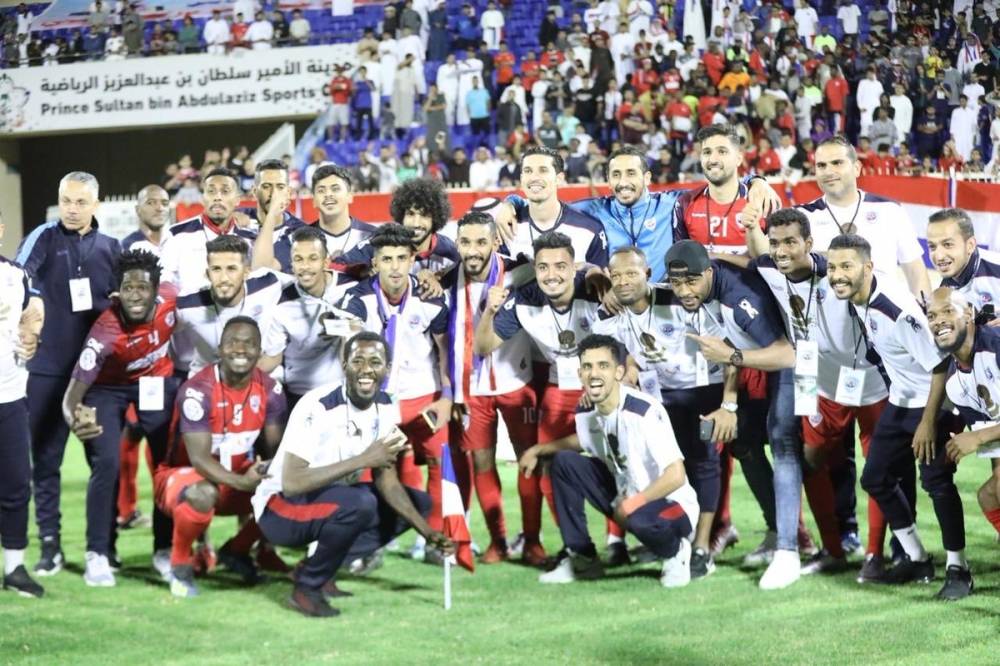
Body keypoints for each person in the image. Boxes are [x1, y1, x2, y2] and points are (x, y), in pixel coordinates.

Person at [254, 331, 454, 617]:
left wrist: (427, 531)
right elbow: (293, 482)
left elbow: (387, 480)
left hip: (330, 499)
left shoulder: (387, 404)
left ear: (387, 368)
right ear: (344, 365)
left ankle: (320, 567)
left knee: (418, 504)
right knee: (359, 504)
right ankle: (306, 588)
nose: (366, 369)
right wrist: (362, 460)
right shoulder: (317, 404)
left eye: (375, 362)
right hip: (279, 508)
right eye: (357, 361)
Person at [747, 209, 890, 581]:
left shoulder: (835, 271)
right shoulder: (767, 269)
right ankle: (833, 550)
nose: (782, 251)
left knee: (878, 466)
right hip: (811, 374)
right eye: (775, 243)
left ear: (809, 243)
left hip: (866, 377)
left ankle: (875, 553)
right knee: (809, 459)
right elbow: (743, 261)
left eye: (791, 242)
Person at [826, 234, 971, 600]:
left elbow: (940, 365)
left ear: (868, 268)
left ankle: (959, 570)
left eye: (846, 266)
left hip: (935, 403)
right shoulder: (858, 298)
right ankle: (916, 558)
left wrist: (928, 422)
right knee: (874, 477)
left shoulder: (895, 311)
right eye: (832, 267)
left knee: (937, 482)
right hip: (901, 400)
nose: (837, 275)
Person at [475, 231, 627, 563]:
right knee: (547, 465)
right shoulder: (525, 298)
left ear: (574, 267)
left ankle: (618, 541)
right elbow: (483, 347)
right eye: (543, 267)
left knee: (616, 461)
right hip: (559, 388)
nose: (551, 274)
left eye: (560, 266)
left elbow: (625, 344)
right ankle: (577, 546)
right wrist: (488, 311)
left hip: (604, 386)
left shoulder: (596, 289)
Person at [591, 247, 737, 578]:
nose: (623, 282)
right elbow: (615, 348)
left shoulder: (679, 300)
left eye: (631, 274)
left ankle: (702, 547)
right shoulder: (609, 312)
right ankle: (675, 539)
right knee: (659, 467)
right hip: (658, 398)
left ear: (647, 274)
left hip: (703, 391)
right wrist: (628, 364)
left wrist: (729, 404)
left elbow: (729, 350)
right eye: (617, 276)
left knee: (704, 463)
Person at [664, 240, 802, 590]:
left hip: (805, 359)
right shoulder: (708, 288)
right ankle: (780, 532)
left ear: (709, 273)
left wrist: (734, 357)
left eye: (691, 281)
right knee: (743, 442)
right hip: (769, 361)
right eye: (677, 283)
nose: (684, 291)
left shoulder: (738, 299)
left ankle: (792, 550)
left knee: (788, 445)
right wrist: (728, 406)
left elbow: (788, 354)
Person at [525, 334, 698, 587]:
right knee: (564, 463)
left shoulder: (643, 411)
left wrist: (633, 503)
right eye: (587, 366)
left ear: (619, 372)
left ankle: (676, 552)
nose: (594, 374)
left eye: (603, 366)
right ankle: (582, 557)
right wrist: (540, 450)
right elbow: (584, 440)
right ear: (580, 374)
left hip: (672, 507)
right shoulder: (586, 413)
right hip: (627, 499)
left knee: (640, 517)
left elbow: (676, 475)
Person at [16, 172, 122, 577]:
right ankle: (50, 546)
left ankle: (103, 546)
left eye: (80, 202)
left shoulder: (111, 248)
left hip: (96, 377)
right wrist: (31, 312)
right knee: (45, 462)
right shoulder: (43, 238)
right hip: (47, 370)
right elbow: (18, 279)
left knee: (105, 463)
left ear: (96, 204)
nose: (72, 209)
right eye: (66, 201)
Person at [61, 250, 179, 587]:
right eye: (128, 288)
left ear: (156, 290)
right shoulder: (106, 330)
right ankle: (97, 553)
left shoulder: (173, 300)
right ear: (117, 292)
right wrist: (75, 420)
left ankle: (164, 550)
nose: (135, 295)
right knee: (107, 464)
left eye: (142, 288)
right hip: (106, 390)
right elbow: (71, 398)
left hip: (155, 382)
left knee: (164, 463)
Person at [337, 224, 454, 561]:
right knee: (369, 469)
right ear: (375, 263)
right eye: (387, 259)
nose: (395, 267)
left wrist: (447, 396)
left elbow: (445, 352)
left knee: (438, 463)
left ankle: (433, 540)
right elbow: (348, 353)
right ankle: (370, 543)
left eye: (402, 258)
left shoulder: (431, 299)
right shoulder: (357, 300)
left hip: (423, 396)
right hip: (375, 402)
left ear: (413, 259)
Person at [501, 144, 780, 283]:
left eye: (631, 173)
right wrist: (510, 202)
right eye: (616, 175)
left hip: (666, 301)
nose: (623, 182)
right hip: (619, 301)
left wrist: (756, 181)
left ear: (647, 177)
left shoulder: (671, 202)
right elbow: (544, 203)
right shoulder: (595, 209)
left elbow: (718, 185)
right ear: (608, 180)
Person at [154, 317, 285, 597]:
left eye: (249, 343)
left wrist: (269, 474)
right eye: (232, 343)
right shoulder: (197, 391)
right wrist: (243, 483)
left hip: (236, 479)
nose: (241, 349)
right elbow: (200, 460)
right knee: (202, 493)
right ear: (220, 349)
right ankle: (180, 565)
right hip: (181, 480)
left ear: (260, 351)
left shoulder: (271, 390)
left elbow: (275, 453)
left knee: (290, 490)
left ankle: (236, 550)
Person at [440, 212, 542, 565]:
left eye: (481, 242)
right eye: (465, 242)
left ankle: (532, 542)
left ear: (495, 243)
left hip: (517, 382)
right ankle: (498, 541)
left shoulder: (520, 271)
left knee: (528, 461)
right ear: (457, 243)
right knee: (482, 462)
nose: (473, 250)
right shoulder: (444, 281)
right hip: (472, 391)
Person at [931, 290, 1000, 554]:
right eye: (931, 316)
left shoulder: (996, 345)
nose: (939, 320)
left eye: (948, 311)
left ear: (969, 313)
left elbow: (983, 435)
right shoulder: (955, 385)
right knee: (989, 495)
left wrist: (977, 437)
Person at [259, 226, 358, 411]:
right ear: (291, 264)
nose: (305, 267)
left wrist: (337, 326)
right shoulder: (282, 303)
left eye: (313, 258)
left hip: (342, 392)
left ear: (326, 261)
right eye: (299, 259)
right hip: (298, 395)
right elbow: (273, 358)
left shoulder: (350, 288)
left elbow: (361, 331)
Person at [0, 213, 44, 598]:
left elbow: (33, 311)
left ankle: (14, 568)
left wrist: (32, 334)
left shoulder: (16, 275)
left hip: (10, 395)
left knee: (16, 485)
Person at [171, 236, 286, 379]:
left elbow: (305, 287)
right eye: (216, 269)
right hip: (207, 382)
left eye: (231, 269)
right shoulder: (186, 305)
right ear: (207, 274)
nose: (224, 278)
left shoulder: (269, 284)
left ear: (246, 272)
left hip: (259, 376)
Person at [495, 146, 609, 267]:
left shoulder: (589, 229)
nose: (534, 178)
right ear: (522, 178)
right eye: (528, 171)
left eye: (543, 170)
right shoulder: (505, 226)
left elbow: (600, 277)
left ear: (559, 178)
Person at [335, 178, 458, 280]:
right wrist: (362, 272)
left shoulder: (450, 252)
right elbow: (335, 266)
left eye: (424, 215)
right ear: (401, 216)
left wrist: (442, 280)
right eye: (410, 214)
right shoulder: (381, 242)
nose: (416, 223)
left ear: (435, 218)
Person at [160, 168, 257, 296]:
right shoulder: (176, 234)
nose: (217, 197)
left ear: (237, 199)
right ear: (203, 198)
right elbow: (164, 281)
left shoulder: (251, 239)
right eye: (211, 191)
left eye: (225, 191)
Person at [928, 208, 1000, 310]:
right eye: (932, 247)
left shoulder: (997, 268)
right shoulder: (945, 294)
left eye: (948, 244)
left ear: (970, 245)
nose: (939, 256)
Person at [243, 160, 307, 273]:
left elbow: (262, 271)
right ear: (254, 191)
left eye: (280, 187)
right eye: (266, 186)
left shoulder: (301, 232)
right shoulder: (238, 221)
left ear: (288, 192)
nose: (273, 194)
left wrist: (272, 213)